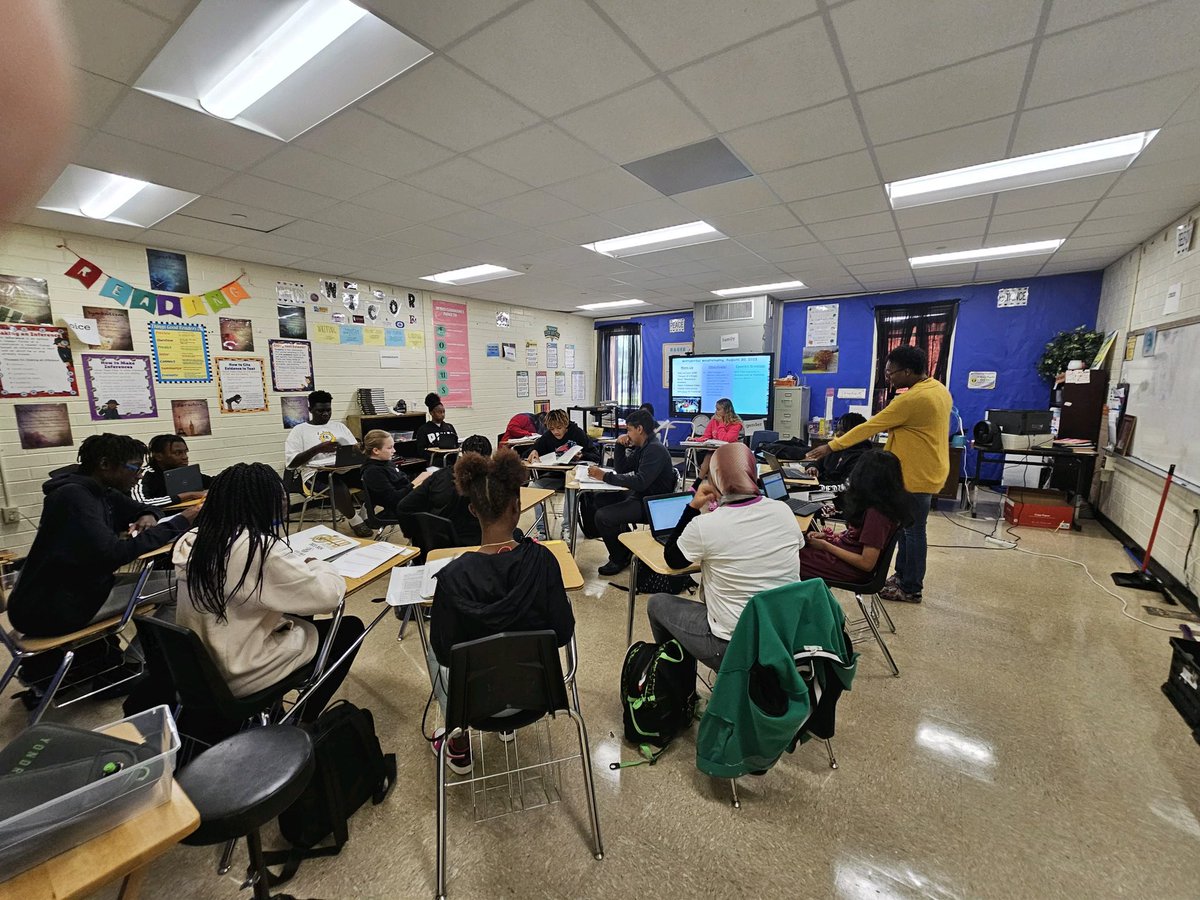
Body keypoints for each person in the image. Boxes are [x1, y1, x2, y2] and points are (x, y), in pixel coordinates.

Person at [173, 463, 365, 724]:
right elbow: (328, 597)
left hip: (199, 667)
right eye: (278, 497)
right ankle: (303, 719)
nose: (284, 502)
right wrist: (319, 565)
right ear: (260, 502)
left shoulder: (196, 538)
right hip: (240, 671)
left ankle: (278, 710)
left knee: (297, 614)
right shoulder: (256, 549)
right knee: (349, 629)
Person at [428, 449, 574, 774]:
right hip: (537, 697)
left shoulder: (452, 578)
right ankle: (507, 728)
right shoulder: (544, 561)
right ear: (517, 507)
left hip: (475, 706)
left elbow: (444, 652)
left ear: (472, 510)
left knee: (432, 650)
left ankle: (458, 742)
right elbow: (563, 633)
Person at [7, 434, 199, 637]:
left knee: (183, 579)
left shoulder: (103, 492)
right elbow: (115, 553)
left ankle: (144, 651)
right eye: (134, 468)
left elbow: (146, 508)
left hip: (82, 587)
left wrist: (149, 515)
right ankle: (154, 653)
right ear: (105, 464)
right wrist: (181, 520)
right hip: (53, 607)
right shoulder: (73, 497)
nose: (139, 476)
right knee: (187, 585)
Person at [805, 345, 952, 603]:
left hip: (915, 475)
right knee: (908, 530)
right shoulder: (938, 389)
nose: (888, 377)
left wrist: (831, 446)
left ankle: (910, 587)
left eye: (891, 373)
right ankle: (902, 576)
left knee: (913, 532)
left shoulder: (912, 400)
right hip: (928, 469)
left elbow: (870, 426)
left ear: (908, 371)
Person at [648, 442, 802, 671]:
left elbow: (673, 560)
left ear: (715, 480)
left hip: (733, 645)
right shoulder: (783, 510)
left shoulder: (706, 525)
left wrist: (692, 507)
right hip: (785, 637)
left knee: (657, 604)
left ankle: (675, 681)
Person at [587, 408, 677, 576]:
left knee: (602, 517)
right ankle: (624, 545)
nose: (627, 434)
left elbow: (641, 482)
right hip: (642, 495)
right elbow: (622, 469)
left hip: (652, 503)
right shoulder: (644, 446)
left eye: (628, 430)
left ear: (639, 429)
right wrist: (619, 446)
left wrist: (605, 476)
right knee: (599, 499)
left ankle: (618, 558)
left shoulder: (654, 450)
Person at [800, 450, 911, 583]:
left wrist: (825, 546)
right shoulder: (879, 501)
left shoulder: (877, 514)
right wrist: (829, 537)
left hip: (850, 569)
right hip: (844, 557)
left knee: (786, 559)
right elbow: (858, 537)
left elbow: (866, 563)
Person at [284, 389, 372, 537]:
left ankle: (366, 512)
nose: (325, 414)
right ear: (310, 410)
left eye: (328, 410)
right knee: (336, 485)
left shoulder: (339, 427)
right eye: (320, 411)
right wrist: (318, 449)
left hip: (344, 468)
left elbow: (354, 450)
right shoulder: (299, 431)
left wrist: (360, 449)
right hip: (316, 474)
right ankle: (355, 521)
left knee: (372, 476)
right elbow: (291, 464)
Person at [396, 434, 492, 546]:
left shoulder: (439, 476)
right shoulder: (492, 481)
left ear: (461, 454)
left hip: (435, 543)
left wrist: (416, 538)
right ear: (489, 457)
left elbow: (404, 507)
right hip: (475, 545)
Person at [528, 409, 599, 539]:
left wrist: (582, 455)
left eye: (559, 428)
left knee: (571, 487)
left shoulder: (577, 433)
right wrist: (534, 451)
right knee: (534, 487)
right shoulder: (548, 436)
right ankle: (542, 531)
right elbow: (534, 448)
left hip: (573, 476)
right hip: (555, 477)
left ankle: (567, 529)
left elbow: (595, 456)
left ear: (566, 425)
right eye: (552, 429)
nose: (556, 432)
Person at [132, 433, 212, 508]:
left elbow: (213, 482)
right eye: (178, 453)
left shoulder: (185, 471)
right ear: (159, 456)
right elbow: (140, 503)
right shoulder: (144, 474)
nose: (185, 457)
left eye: (185, 452)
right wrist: (190, 495)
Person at [805, 412, 871, 485]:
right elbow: (818, 462)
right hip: (821, 485)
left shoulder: (861, 457)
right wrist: (813, 467)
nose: (838, 433)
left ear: (854, 433)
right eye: (838, 429)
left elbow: (844, 485)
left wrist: (817, 485)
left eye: (843, 430)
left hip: (832, 489)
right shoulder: (835, 448)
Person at [359, 429, 412, 518]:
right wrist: (415, 484)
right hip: (400, 507)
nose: (394, 451)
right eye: (389, 448)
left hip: (409, 498)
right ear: (376, 450)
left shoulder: (387, 463)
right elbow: (393, 499)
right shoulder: (373, 472)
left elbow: (403, 481)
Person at [694, 397, 743, 486]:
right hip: (714, 450)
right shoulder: (713, 420)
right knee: (708, 459)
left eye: (718, 409)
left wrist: (721, 423)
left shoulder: (736, 424)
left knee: (711, 459)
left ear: (727, 410)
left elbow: (725, 440)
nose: (716, 412)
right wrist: (695, 439)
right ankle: (701, 486)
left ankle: (699, 485)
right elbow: (707, 436)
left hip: (728, 451)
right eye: (716, 409)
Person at [413, 392, 458, 463]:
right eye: (439, 412)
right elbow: (421, 450)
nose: (442, 414)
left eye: (443, 412)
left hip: (450, 459)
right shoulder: (423, 429)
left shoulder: (449, 427)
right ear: (431, 413)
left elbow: (456, 444)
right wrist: (434, 457)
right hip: (435, 461)